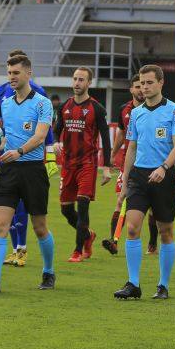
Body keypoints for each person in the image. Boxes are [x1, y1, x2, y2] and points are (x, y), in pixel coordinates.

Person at [0, 55, 56, 293]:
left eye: (16, 73)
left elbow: (41, 136)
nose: (11, 77)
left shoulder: (43, 103)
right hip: (8, 170)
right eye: (9, 73)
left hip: (32, 170)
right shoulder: (6, 102)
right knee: (1, 224)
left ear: (28, 73)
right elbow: (1, 134)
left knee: (40, 226)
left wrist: (19, 151)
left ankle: (49, 271)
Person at [113, 65, 175, 300]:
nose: (144, 87)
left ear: (161, 83)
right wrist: (125, 182)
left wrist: (164, 168)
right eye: (142, 83)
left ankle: (163, 285)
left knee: (165, 232)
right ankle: (133, 283)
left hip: (163, 177)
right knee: (133, 228)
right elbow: (131, 148)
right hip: (139, 177)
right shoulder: (136, 113)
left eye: (149, 83)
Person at [54, 67, 112, 263]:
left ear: (89, 83)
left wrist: (107, 167)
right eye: (75, 79)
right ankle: (88, 235)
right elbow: (56, 130)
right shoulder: (64, 106)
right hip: (68, 165)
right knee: (66, 210)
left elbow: (105, 138)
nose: (77, 83)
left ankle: (78, 250)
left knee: (83, 205)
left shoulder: (97, 108)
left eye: (81, 80)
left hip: (87, 164)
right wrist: (55, 142)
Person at [107, 74, 158, 254]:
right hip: (128, 163)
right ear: (131, 89)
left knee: (152, 208)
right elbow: (121, 134)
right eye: (137, 86)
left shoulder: (153, 110)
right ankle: (114, 242)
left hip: (147, 164)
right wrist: (113, 154)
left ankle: (152, 244)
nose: (140, 89)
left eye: (143, 85)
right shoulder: (124, 110)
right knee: (120, 201)